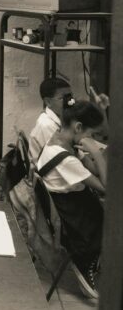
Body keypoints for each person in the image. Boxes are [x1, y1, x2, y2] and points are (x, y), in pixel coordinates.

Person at [36, 99, 107, 299]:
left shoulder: (60, 140)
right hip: (74, 215)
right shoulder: (66, 159)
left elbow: (93, 171)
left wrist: (89, 156)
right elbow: (105, 187)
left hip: (72, 200)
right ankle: (85, 264)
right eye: (92, 135)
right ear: (78, 127)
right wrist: (94, 152)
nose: (93, 140)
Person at [29, 78, 72, 162]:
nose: (69, 102)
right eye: (64, 98)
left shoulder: (60, 116)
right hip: (49, 171)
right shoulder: (47, 125)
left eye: (70, 97)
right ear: (48, 102)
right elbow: (65, 155)